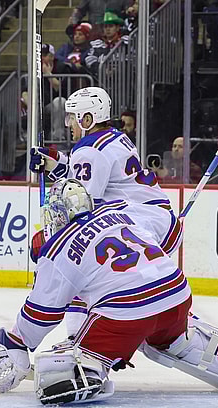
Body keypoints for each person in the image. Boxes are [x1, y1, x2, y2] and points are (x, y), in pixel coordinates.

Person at [0, 179, 218, 405]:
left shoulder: (60, 248)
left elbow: (42, 313)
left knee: (56, 372)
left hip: (126, 313)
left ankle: (90, 368)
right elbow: (172, 230)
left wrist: (16, 341)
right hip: (177, 294)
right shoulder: (121, 210)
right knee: (171, 339)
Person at [29, 87, 182, 337]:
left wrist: (50, 240)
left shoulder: (89, 150)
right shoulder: (114, 137)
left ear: (87, 119)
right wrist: (55, 163)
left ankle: (76, 336)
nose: (68, 124)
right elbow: (94, 175)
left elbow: (81, 210)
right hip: (157, 221)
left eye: (72, 117)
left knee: (78, 259)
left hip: (140, 224)